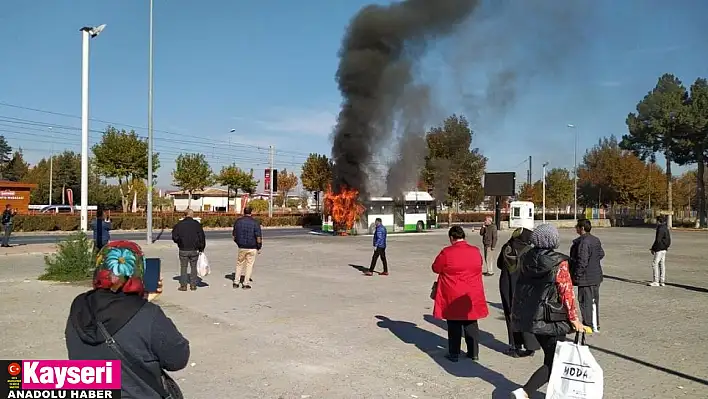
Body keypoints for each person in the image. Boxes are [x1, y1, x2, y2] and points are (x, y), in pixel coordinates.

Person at [65, 240, 190, 399]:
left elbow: (115, 315)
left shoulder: (80, 305)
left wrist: (142, 301)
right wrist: (144, 304)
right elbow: (177, 359)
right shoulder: (148, 315)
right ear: (138, 272)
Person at [510, 224, 585, 399]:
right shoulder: (559, 262)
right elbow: (566, 292)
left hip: (531, 317)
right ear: (553, 240)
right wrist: (574, 320)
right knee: (555, 361)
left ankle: (550, 392)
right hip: (552, 318)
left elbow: (521, 288)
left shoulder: (526, 258)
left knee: (552, 357)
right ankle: (524, 392)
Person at [432, 226, 489, 362]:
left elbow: (436, 268)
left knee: (454, 323)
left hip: (453, 292)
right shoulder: (475, 251)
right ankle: (473, 352)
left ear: (452, 238)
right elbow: (480, 263)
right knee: (471, 322)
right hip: (471, 293)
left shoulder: (447, 252)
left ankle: (454, 353)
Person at [497, 227, 539, 358]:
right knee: (527, 315)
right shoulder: (530, 250)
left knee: (511, 314)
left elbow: (499, 264)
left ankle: (515, 346)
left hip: (508, 283)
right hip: (525, 285)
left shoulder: (507, 247)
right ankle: (530, 346)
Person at [569, 218, 605, 333]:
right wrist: (593, 262)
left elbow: (582, 262)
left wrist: (577, 275)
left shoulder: (583, 243)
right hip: (595, 276)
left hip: (586, 278)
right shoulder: (595, 239)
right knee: (594, 300)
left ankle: (589, 325)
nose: (576, 229)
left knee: (586, 301)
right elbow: (601, 254)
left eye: (577, 227)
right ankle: (595, 324)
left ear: (582, 228)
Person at [171, 209, 206, 291]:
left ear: (184, 215)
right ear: (192, 215)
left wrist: (179, 242)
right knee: (193, 267)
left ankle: (183, 285)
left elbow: (174, 236)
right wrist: (201, 248)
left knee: (183, 267)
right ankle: (193, 285)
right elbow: (202, 237)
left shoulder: (179, 225)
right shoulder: (197, 225)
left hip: (183, 249)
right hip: (194, 249)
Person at [232, 206, 262, 289]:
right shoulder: (255, 222)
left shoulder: (238, 222)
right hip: (252, 247)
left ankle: (236, 282)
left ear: (243, 212)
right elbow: (258, 237)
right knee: (249, 265)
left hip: (241, 246)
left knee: (239, 264)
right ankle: (245, 283)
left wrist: (238, 243)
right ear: (251, 212)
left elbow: (234, 236)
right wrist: (259, 246)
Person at [649, 215, 671, 287]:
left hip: (659, 249)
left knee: (654, 264)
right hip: (664, 248)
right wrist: (666, 246)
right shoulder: (665, 228)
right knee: (662, 264)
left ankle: (656, 281)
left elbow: (658, 240)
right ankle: (662, 281)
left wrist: (653, 248)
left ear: (658, 221)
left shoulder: (660, 228)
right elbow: (669, 239)